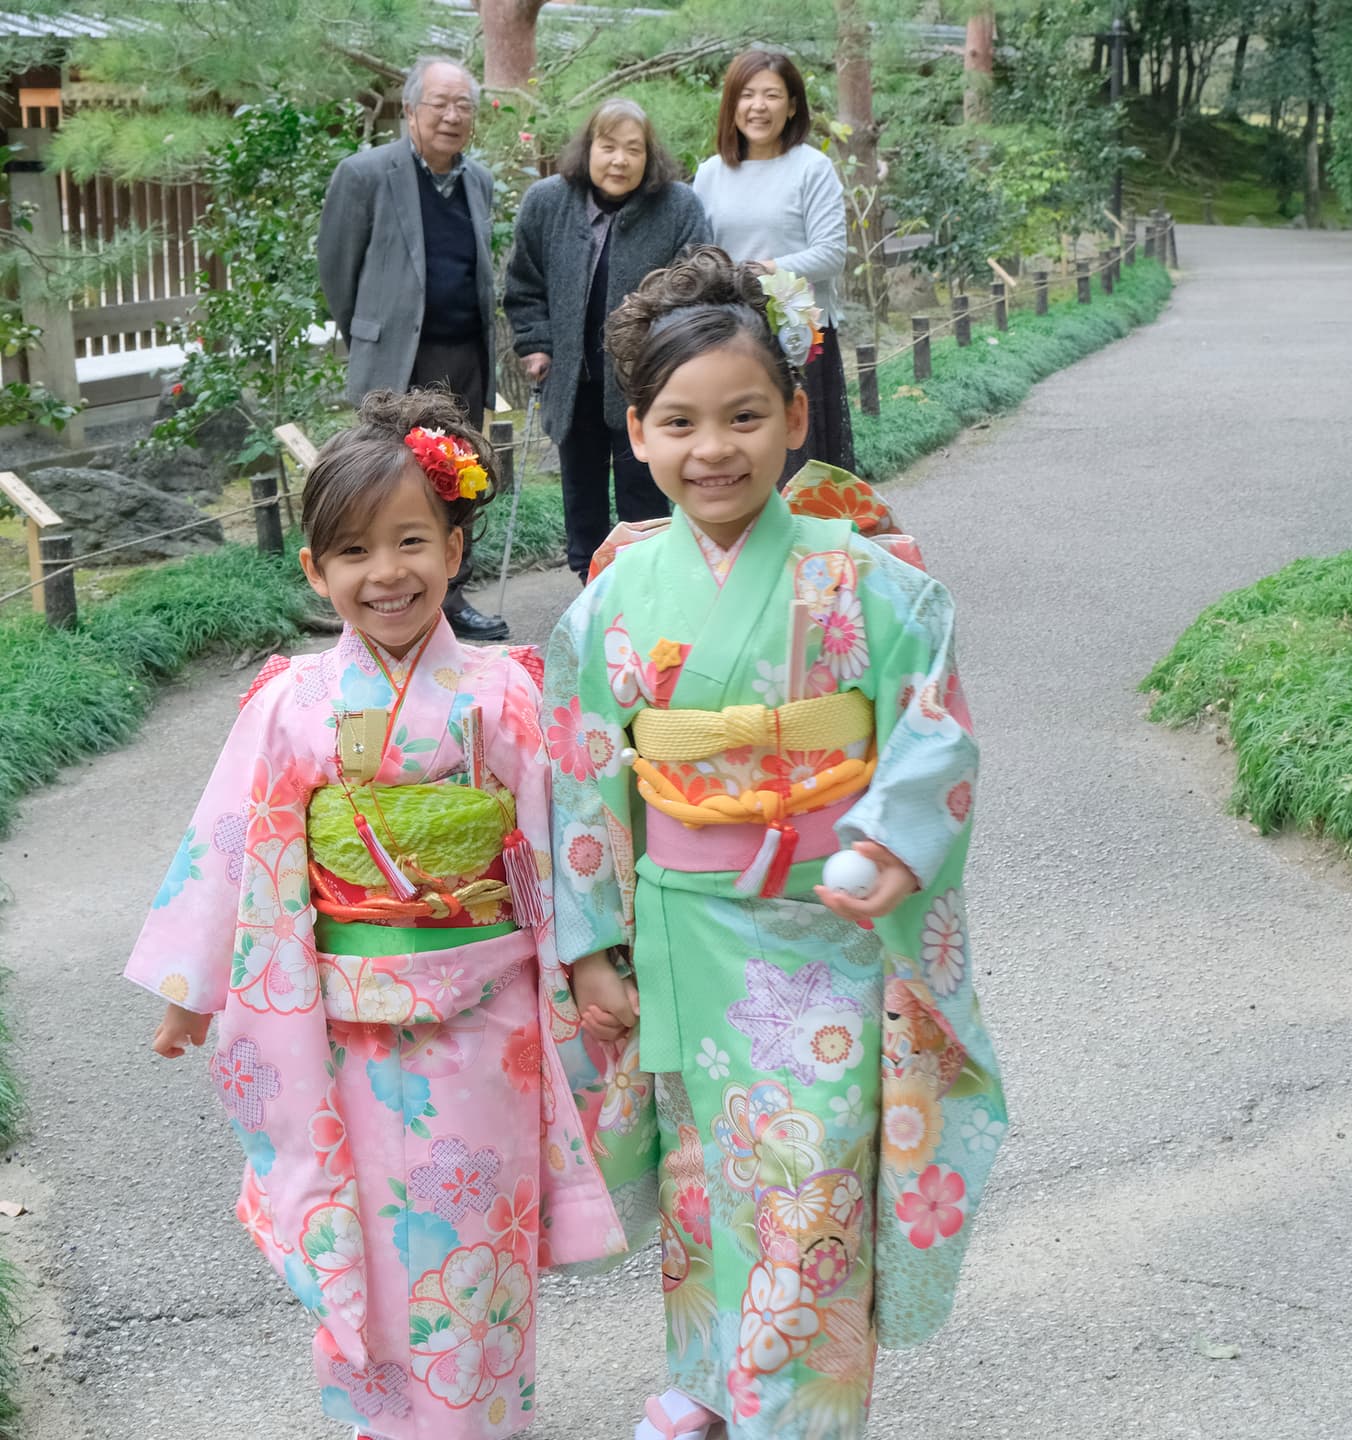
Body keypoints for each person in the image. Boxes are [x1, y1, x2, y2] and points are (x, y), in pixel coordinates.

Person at [543, 249, 1006, 1440]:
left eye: (746, 416)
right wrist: (593, 945)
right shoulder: (612, 601)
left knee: (807, 1190)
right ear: (636, 433)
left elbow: (933, 736)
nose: (716, 449)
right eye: (682, 422)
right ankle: (709, 1376)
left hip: (828, 934)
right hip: (685, 930)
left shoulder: (876, 585)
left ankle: (789, 1415)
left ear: (796, 418)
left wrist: (888, 845)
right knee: (710, 1180)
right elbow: (586, 777)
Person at [125, 389, 624, 1440]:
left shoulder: (507, 693)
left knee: (476, 1249)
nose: (383, 572)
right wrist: (193, 991)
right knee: (366, 1248)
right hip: (345, 1039)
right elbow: (234, 846)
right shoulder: (290, 704)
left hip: (486, 1033)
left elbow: (555, 841)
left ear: (453, 547)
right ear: (314, 571)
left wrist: (587, 964)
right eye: (352, 551)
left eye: (409, 542)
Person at [318, 55, 508, 642]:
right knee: (388, 481)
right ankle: (383, 598)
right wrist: (372, 336)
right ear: (409, 111)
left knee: (461, 477)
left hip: (465, 357)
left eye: (464, 106)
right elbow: (337, 270)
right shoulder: (366, 174)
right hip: (400, 360)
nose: (452, 117)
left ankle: (451, 597)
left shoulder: (478, 181)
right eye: (439, 104)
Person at [504, 98, 711, 580]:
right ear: (588, 149)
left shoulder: (679, 205)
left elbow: (697, 282)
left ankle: (650, 582)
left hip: (646, 381)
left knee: (645, 483)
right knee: (581, 488)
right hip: (572, 378)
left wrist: (670, 357)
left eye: (633, 149)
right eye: (608, 146)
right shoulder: (547, 201)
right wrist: (535, 343)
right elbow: (524, 283)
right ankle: (591, 583)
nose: (619, 159)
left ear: (649, 158)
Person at [694, 49, 855, 478]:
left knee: (804, 466)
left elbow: (830, 254)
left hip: (801, 338)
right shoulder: (710, 173)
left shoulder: (812, 169)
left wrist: (764, 270)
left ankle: (812, 547)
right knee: (739, 459)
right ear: (732, 104)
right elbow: (699, 255)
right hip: (731, 338)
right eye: (747, 95)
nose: (758, 107)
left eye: (771, 95)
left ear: (793, 105)